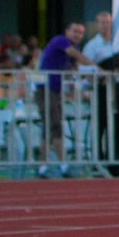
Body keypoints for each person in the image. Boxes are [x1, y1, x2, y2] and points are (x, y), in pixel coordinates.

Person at [82, 10, 119, 175]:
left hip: (117, 90)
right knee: (101, 125)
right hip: (101, 89)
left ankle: (114, 162)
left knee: (116, 125)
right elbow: (85, 70)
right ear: (97, 24)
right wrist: (98, 76)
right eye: (102, 22)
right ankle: (98, 161)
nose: (105, 25)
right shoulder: (92, 46)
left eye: (108, 22)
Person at [36, 22, 87, 176]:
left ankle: (43, 166)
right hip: (46, 89)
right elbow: (75, 55)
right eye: (75, 31)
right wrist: (95, 66)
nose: (77, 35)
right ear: (67, 31)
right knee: (54, 125)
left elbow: (73, 70)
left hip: (57, 91)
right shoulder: (60, 40)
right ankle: (62, 164)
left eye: (80, 32)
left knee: (50, 127)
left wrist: (79, 86)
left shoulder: (75, 49)